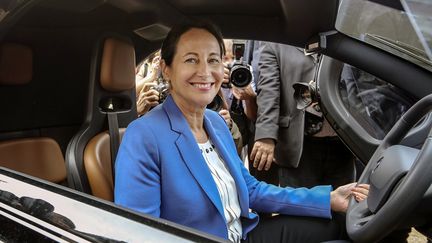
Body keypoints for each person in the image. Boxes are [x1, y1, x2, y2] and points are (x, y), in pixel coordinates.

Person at [114, 20, 369, 243]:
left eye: (213, 59)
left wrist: (329, 199)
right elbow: (141, 233)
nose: (205, 72)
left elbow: (252, 190)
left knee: (337, 228)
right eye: (191, 59)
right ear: (166, 69)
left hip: (243, 234)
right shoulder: (143, 135)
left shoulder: (214, 123)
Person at [251, 43, 355, 189]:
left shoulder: (341, 40)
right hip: (299, 145)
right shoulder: (275, 46)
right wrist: (266, 136)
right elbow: (269, 94)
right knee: (302, 208)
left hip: (343, 143)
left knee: (343, 206)